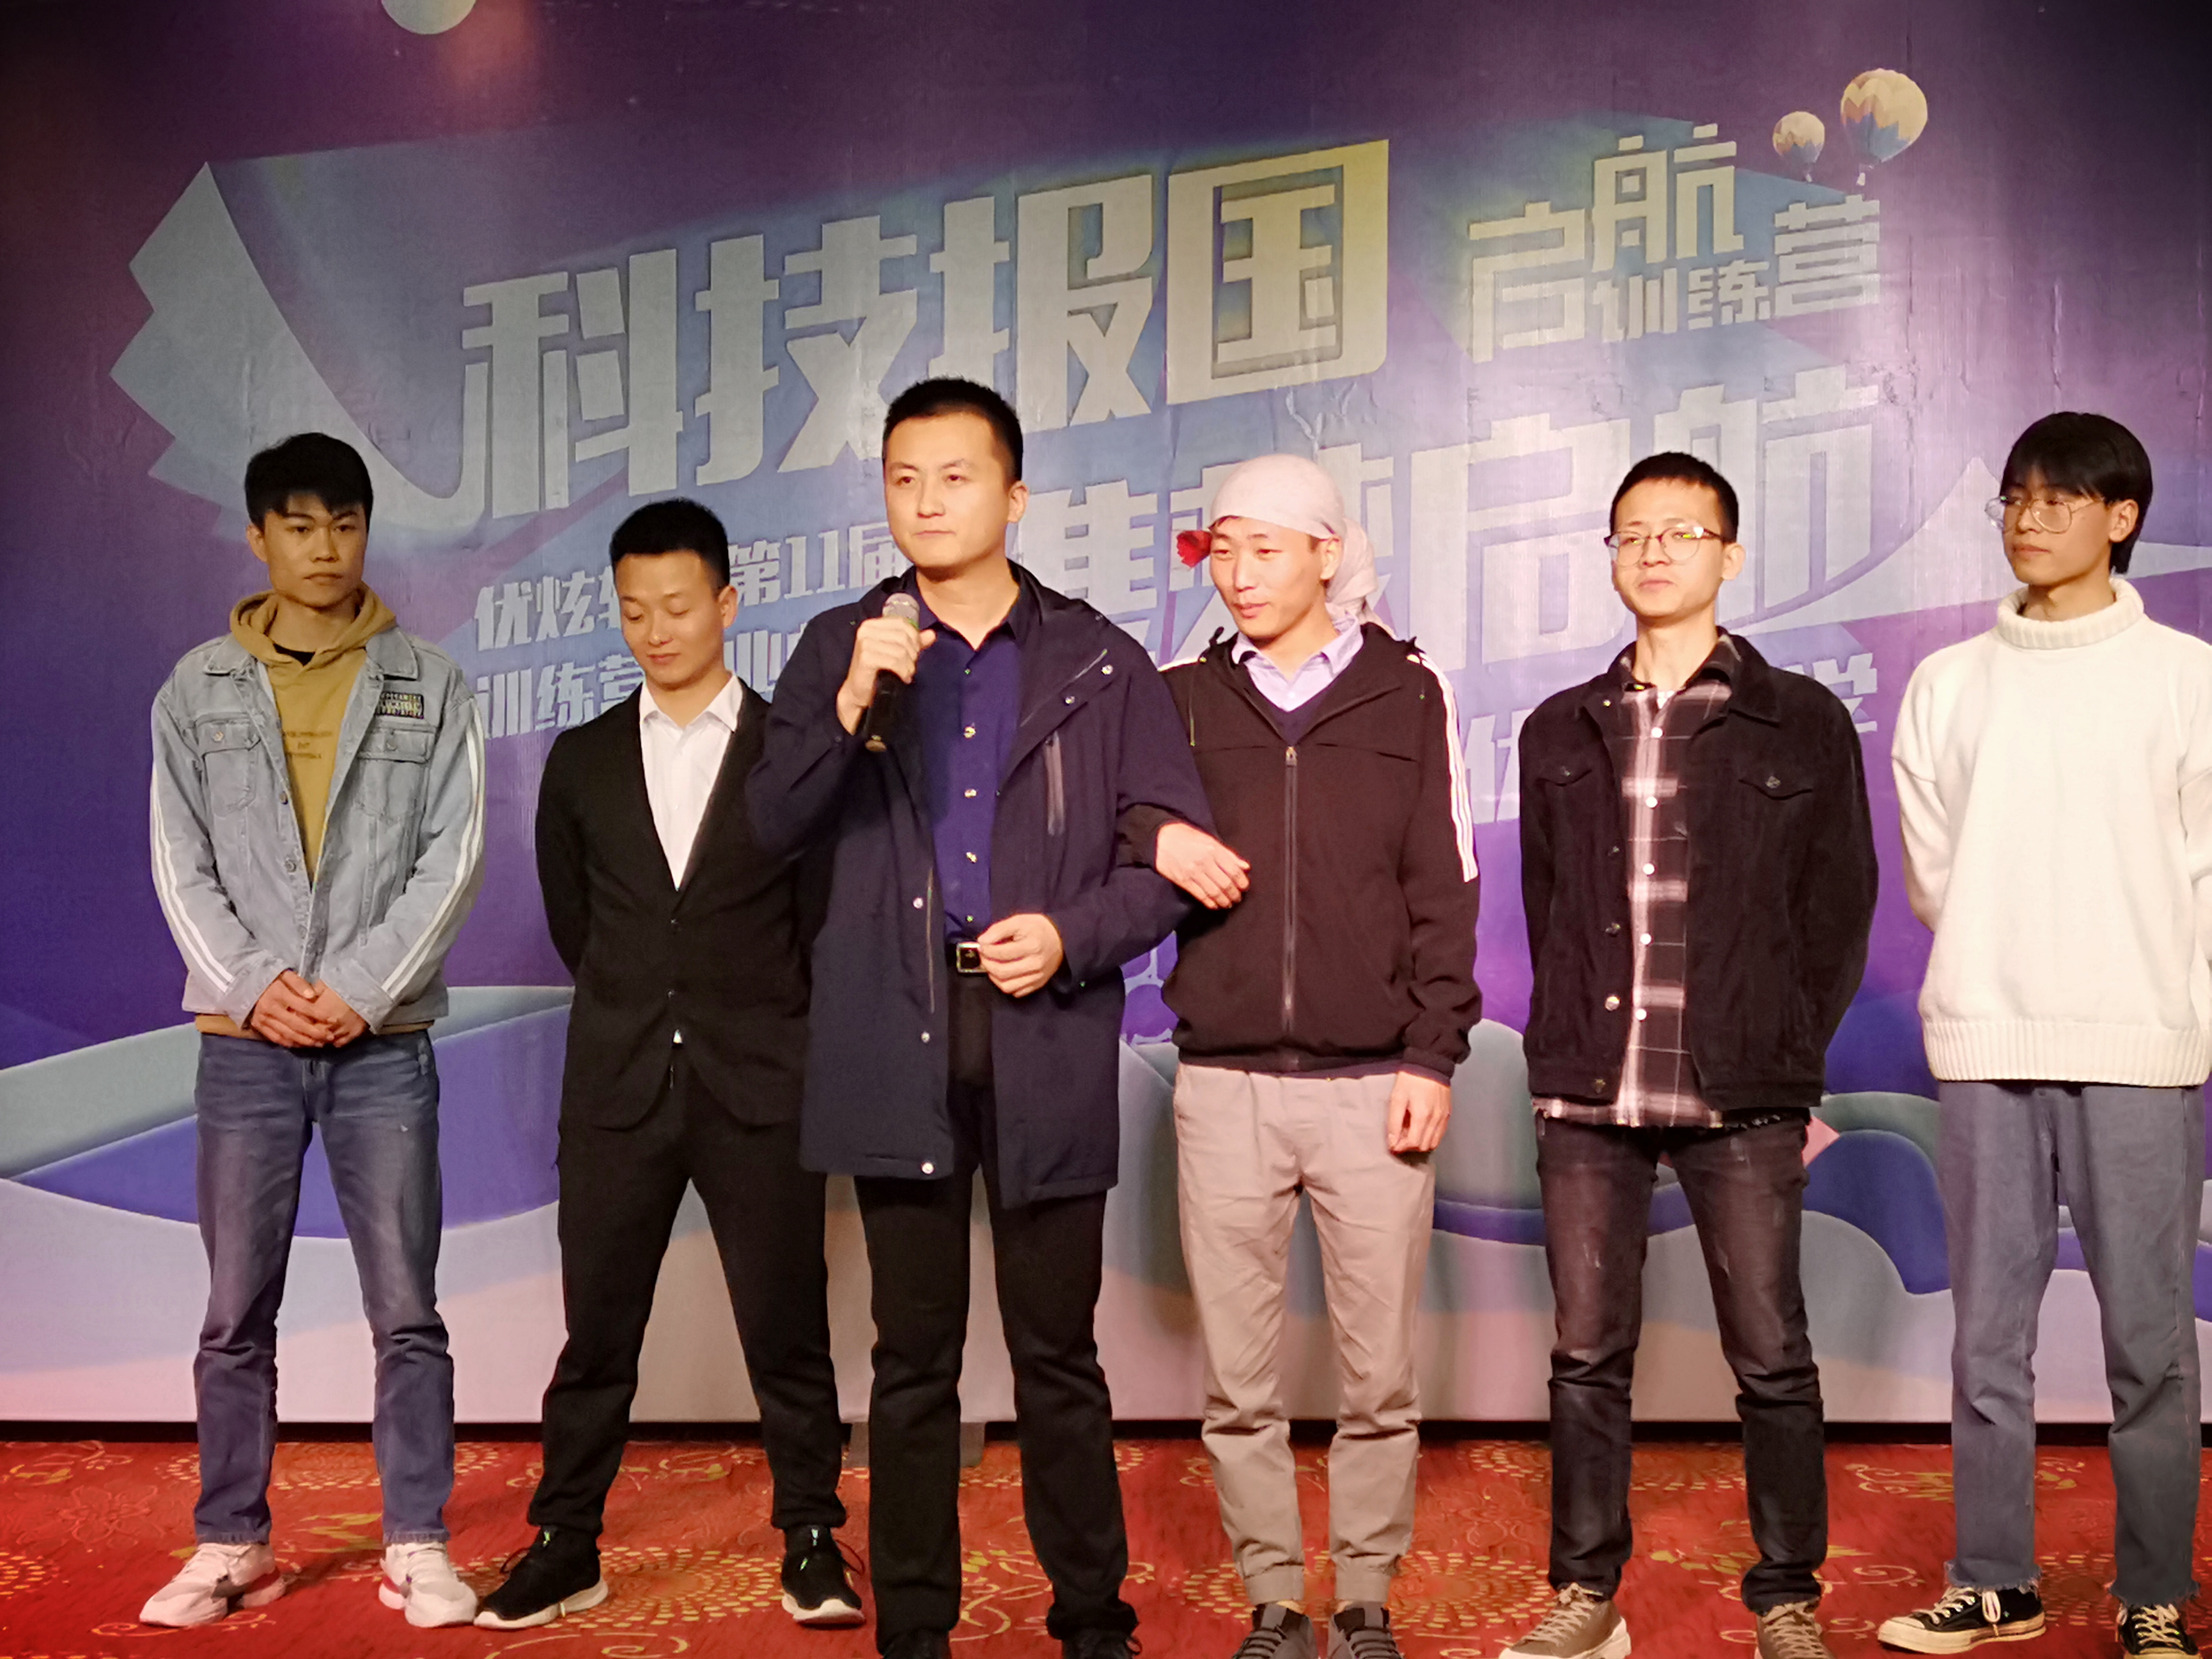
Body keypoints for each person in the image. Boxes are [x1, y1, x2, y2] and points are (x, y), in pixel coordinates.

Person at [746, 376, 1212, 1659]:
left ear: (1015, 496)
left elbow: (1168, 857)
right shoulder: (843, 646)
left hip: (1044, 1030)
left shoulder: (1098, 659)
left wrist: (1071, 934)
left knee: (1058, 1353)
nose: (928, 501)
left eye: (956, 477)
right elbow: (771, 825)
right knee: (912, 1362)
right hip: (896, 1031)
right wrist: (851, 702)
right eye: (904, 479)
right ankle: (916, 1629)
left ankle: (1092, 1620)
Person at [1500, 453, 1876, 1659]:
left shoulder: (1801, 720)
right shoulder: (1559, 727)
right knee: (1584, 1356)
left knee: (1771, 1355)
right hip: (1590, 1085)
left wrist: (1784, 1051)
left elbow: (1839, 909)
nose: (1654, 551)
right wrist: (1568, 1040)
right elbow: (1549, 906)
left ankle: (1786, 1597)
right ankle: (1586, 1595)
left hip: (1743, 1087)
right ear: (1611, 556)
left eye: (1682, 531)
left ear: (1730, 554)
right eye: (1632, 533)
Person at [1120, 455, 1481, 1659]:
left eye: (1265, 548)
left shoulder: (1409, 694)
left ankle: (1366, 1595)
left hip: (1376, 1084)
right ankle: (1274, 1601)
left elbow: (1446, 886)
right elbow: (1111, 809)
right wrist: (1160, 834)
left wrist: (1433, 1056)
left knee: (1379, 1378)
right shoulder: (1179, 697)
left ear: (1329, 554)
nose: (1239, 573)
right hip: (1222, 1084)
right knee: (1241, 1382)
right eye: (1221, 549)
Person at [474, 500, 857, 1632]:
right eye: (634, 610)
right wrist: (652, 1003)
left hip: (761, 1084)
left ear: (728, 604)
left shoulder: (793, 748)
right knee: (597, 1334)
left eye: (679, 607)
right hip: (618, 1088)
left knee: (788, 1330)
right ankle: (568, 1542)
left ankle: (812, 1537)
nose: (656, 631)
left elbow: (822, 919)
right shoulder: (583, 758)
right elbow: (578, 924)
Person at [142, 433, 487, 1628]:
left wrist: (358, 988)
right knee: (235, 1314)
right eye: (299, 526)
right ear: (258, 538)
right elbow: (178, 862)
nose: (325, 547)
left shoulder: (429, 682)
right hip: (243, 1047)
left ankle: (418, 1543)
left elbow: (452, 858)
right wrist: (255, 986)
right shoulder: (196, 690)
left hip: (381, 1043)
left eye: (344, 523)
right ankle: (231, 1541)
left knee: (408, 1311)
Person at [1879, 413, 2206, 1659]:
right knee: (1987, 1340)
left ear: (2122, 519)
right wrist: (2002, 965)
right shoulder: (1950, 684)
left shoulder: (2187, 678)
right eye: (2015, 495)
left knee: (2149, 1347)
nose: (2030, 517)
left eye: (2061, 498)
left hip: (2139, 1046)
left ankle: (2153, 1594)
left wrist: (2165, 999)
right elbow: (1938, 880)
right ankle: (1995, 1581)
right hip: (1988, 1040)